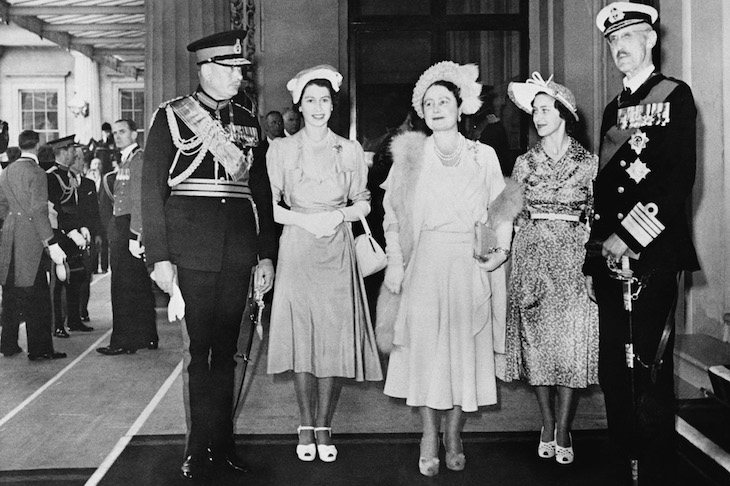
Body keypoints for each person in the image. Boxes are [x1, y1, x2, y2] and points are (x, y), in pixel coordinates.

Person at [141, 29, 276, 480]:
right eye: (232, 70)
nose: (240, 78)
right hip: (191, 251)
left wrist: (265, 254)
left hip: (237, 250)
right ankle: (198, 449)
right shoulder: (171, 116)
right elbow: (152, 191)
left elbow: (260, 191)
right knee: (199, 355)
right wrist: (160, 257)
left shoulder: (249, 119)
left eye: (241, 70)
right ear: (207, 69)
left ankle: (224, 445)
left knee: (229, 352)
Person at [377, 61, 522, 476]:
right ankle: (428, 434)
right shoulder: (410, 155)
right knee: (425, 350)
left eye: (444, 101)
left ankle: (454, 433)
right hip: (424, 262)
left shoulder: (483, 155)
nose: (437, 108)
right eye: (429, 103)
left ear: (461, 107)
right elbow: (392, 215)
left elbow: (502, 210)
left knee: (463, 351)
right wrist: (395, 262)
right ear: (421, 113)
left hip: (468, 264)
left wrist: (501, 250)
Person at [584, 4, 699, 485]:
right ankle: (622, 462)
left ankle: (653, 472)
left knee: (648, 369)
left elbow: (676, 180)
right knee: (615, 368)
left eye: (628, 36)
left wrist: (629, 237)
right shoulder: (613, 108)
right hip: (610, 258)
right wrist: (596, 257)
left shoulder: (675, 95)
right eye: (613, 41)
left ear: (650, 39)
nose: (619, 47)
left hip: (650, 254)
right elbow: (605, 191)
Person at [266, 64, 383, 464]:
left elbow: (364, 202)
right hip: (298, 246)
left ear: (334, 106)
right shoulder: (281, 150)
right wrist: (305, 221)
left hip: (336, 246)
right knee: (302, 335)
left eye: (325, 101)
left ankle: (323, 425)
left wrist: (337, 216)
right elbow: (272, 207)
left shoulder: (349, 150)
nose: (318, 107)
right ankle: (304, 423)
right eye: (310, 100)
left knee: (332, 336)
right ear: (298, 106)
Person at [501, 72, 599, 465]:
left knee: (571, 345)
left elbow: (595, 215)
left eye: (545, 110)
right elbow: (512, 214)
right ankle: (546, 422)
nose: (538, 117)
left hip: (574, 261)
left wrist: (592, 265)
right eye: (535, 111)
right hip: (533, 258)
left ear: (564, 114)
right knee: (538, 345)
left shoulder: (588, 163)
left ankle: (563, 427)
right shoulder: (524, 163)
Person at [0, 130, 67, 360]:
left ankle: (8, 344)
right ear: (37, 146)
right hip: (30, 238)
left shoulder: (6, 171)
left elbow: (1, 206)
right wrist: (50, 242)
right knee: (37, 295)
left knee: (10, 292)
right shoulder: (37, 172)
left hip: (9, 236)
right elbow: (39, 210)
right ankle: (40, 349)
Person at [96, 119, 158, 355]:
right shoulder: (126, 160)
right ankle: (146, 336)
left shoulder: (137, 159)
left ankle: (122, 341)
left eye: (122, 131)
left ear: (134, 134)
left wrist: (135, 234)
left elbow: (139, 199)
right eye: (115, 133)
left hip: (128, 227)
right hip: (124, 226)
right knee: (138, 285)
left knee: (123, 287)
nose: (117, 136)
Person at [46, 135, 99, 337]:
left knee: (75, 276)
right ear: (62, 152)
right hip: (58, 234)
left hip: (73, 233)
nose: (74, 155)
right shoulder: (51, 177)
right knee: (59, 279)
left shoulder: (68, 175)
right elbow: (55, 209)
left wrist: (82, 226)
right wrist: (70, 231)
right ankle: (57, 324)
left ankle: (74, 320)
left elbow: (75, 208)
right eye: (71, 151)